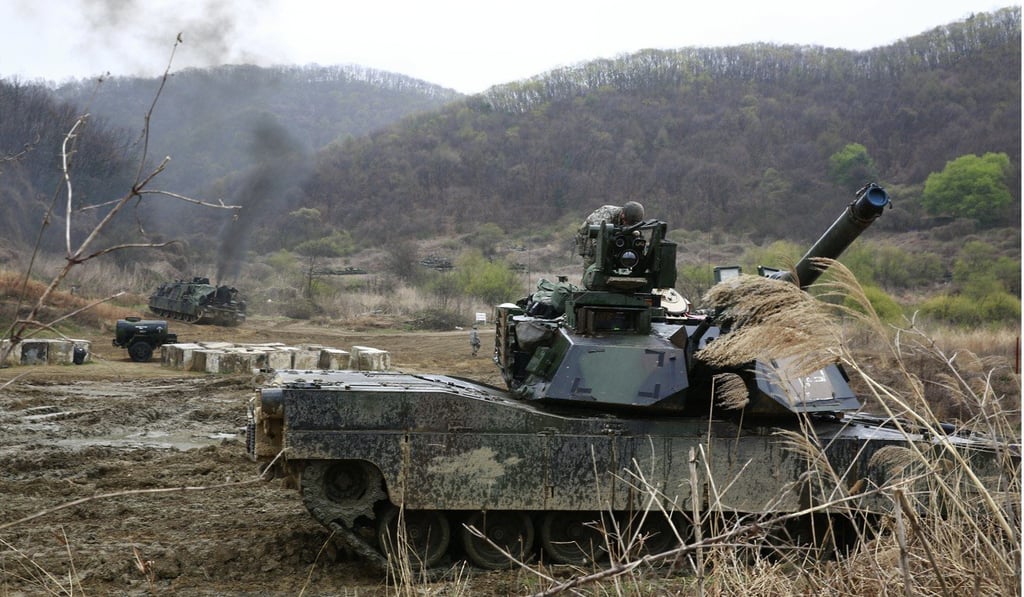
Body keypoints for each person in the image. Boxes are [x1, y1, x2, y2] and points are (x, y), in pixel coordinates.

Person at [575, 201, 645, 271]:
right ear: (623, 214)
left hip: (611, 237)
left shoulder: (632, 219)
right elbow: (598, 240)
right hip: (590, 238)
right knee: (594, 268)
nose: (627, 224)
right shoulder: (605, 214)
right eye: (626, 221)